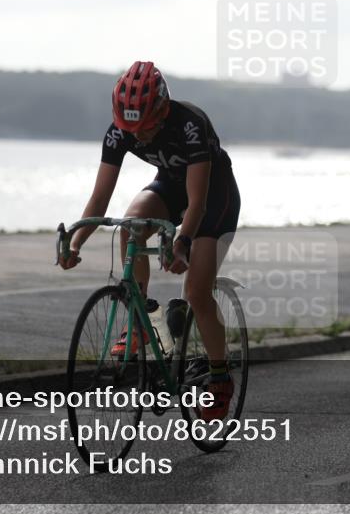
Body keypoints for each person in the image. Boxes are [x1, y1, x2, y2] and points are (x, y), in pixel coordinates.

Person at [59, 61, 241, 421]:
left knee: (197, 291)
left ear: (162, 108)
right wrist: (76, 242)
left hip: (214, 197)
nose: (138, 136)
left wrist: (183, 241)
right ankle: (142, 321)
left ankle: (220, 380)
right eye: (131, 129)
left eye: (145, 128)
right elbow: (99, 200)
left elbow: (198, 201)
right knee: (131, 226)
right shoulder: (119, 131)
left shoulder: (190, 123)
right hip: (170, 188)